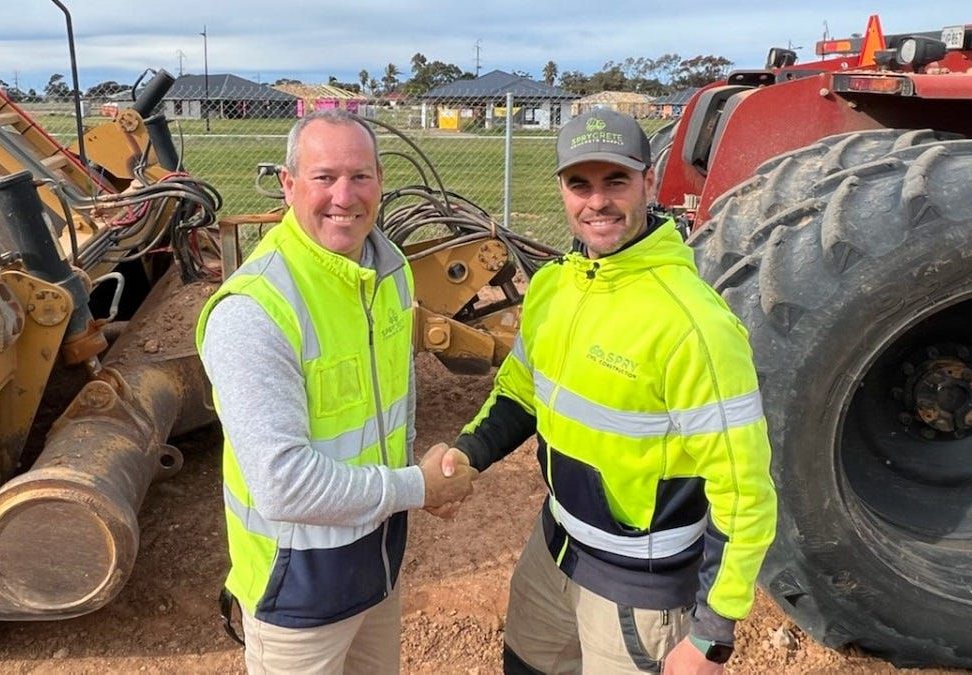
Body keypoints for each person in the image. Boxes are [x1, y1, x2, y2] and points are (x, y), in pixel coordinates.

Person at [442, 109, 777, 674]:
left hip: (638, 589)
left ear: (648, 181)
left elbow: (744, 493)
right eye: (580, 185)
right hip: (554, 548)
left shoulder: (692, 323)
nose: (597, 202)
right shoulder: (552, 287)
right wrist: (468, 453)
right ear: (563, 192)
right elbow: (521, 392)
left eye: (615, 181)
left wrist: (713, 635)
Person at [196, 109, 476, 674]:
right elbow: (282, 486)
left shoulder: (389, 269)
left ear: (381, 182)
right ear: (288, 183)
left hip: (376, 564)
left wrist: (410, 476)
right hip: (297, 587)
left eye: (361, 176)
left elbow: (394, 398)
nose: (344, 196)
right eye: (324, 177)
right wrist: (415, 488)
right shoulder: (256, 310)